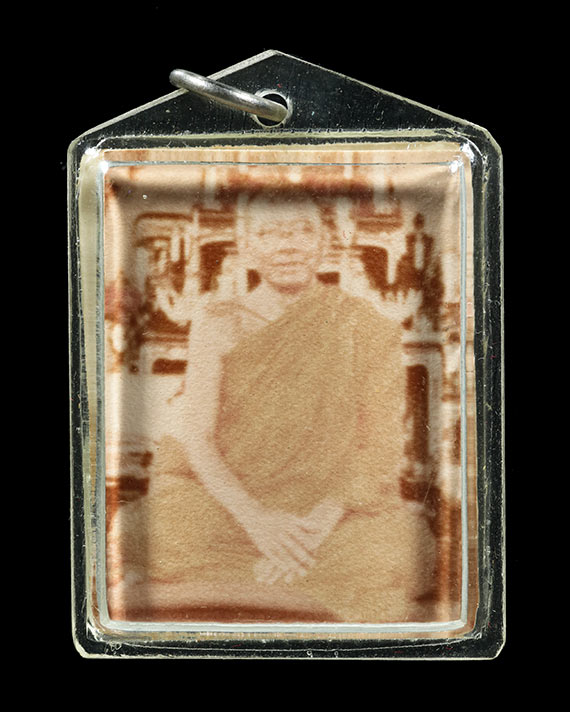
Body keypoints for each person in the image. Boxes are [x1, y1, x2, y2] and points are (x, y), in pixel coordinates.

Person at [106, 189, 436, 624]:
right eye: (269, 233)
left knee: (397, 545)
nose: (288, 246)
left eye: (302, 231)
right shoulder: (217, 320)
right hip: (233, 501)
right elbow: (199, 439)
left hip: (329, 508)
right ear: (245, 246)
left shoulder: (366, 326)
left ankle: (246, 580)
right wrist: (258, 521)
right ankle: (288, 579)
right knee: (158, 524)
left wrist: (313, 530)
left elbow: (379, 444)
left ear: (325, 242)